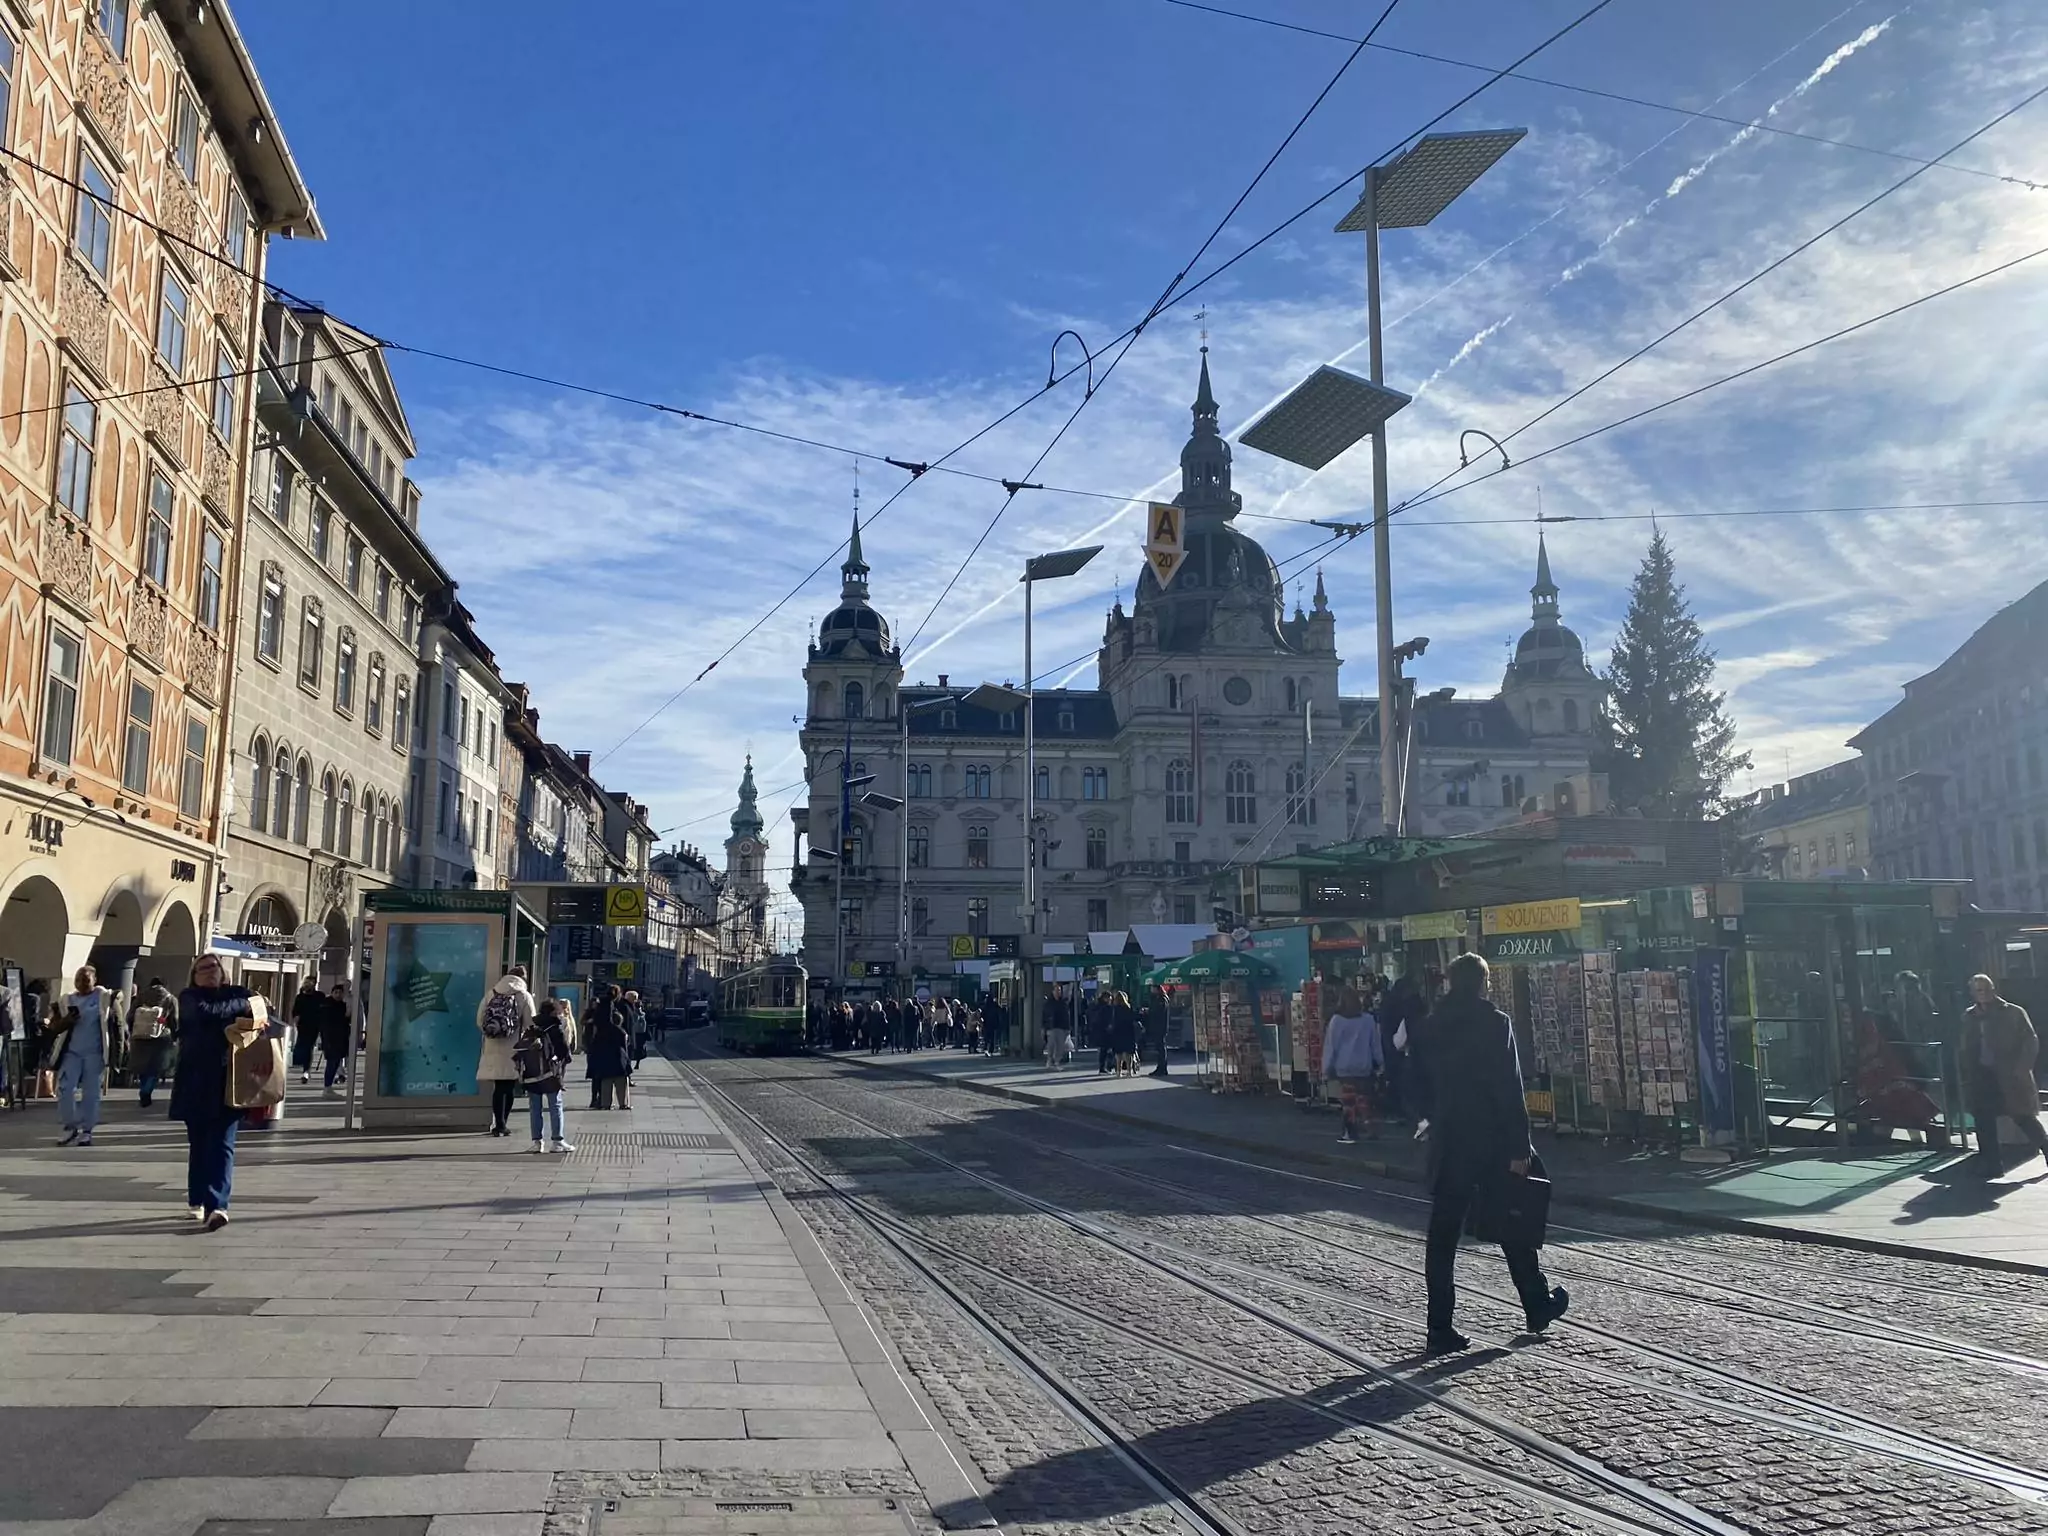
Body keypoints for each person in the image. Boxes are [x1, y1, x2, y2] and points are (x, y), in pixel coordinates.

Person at [1411, 953, 1566, 1355]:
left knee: (1442, 1239)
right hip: (1492, 1141)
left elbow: (1415, 1083)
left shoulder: (1431, 1026)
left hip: (1449, 1141)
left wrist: (1428, 1120)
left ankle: (1439, 1327)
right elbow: (1509, 1088)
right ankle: (1536, 1305)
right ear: (1482, 983)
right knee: (1514, 1220)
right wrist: (1519, 1146)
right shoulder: (1495, 1024)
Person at [173, 955, 260, 1229]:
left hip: (229, 1080)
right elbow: (206, 1012)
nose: (211, 972)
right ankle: (196, 1200)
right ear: (194, 974)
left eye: (215, 966)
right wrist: (241, 1006)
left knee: (223, 1144)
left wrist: (247, 1005)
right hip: (196, 1081)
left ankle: (218, 1206)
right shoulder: (188, 997)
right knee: (199, 1145)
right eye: (204, 968)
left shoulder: (239, 993)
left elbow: (259, 1007)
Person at [1961, 973, 2048, 1176]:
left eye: (1986, 989)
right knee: (1983, 1119)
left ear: (1993, 990)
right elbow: (1966, 1045)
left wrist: (2022, 1067)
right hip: (1982, 1074)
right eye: (1978, 990)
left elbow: (2030, 1041)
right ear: (1973, 993)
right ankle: (1992, 1164)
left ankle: (2046, 1149)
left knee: (2023, 1116)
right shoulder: (1969, 1016)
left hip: (2009, 1073)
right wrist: (1967, 1067)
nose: (1983, 994)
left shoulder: (2013, 1012)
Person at [51, 966, 114, 1146]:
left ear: (94, 980)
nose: (82, 984)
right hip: (72, 1052)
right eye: (78, 980)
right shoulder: (66, 1000)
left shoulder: (103, 997)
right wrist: (67, 1020)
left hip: (94, 1053)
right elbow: (55, 1026)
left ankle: (87, 1130)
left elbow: (115, 1021)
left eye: (86, 980)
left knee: (91, 1092)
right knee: (65, 1089)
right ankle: (69, 1126)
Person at [476, 965, 535, 1135]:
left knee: (498, 1086)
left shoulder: (491, 993)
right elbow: (530, 1023)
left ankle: (498, 1123)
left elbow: (480, 1020)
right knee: (508, 1086)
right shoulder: (523, 995)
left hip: (492, 1046)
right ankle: (503, 1124)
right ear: (523, 978)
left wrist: (493, 1032)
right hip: (513, 1047)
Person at [1322, 985, 1385, 1143]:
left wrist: (1326, 1068)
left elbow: (1331, 1046)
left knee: (1348, 1100)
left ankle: (1350, 1132)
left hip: (1344, 1067)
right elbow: (1375, 1044)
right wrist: (1381, 1062)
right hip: (1363, 1065)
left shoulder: (1336, 1021)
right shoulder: (1368, 1019)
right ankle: (1370, 1128)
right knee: (1363, 1098)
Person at [518, 998, 576, 1153]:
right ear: (554, 1011)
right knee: (555, 1105)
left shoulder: (533, 1027)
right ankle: (557, 1141)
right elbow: (563, 1051)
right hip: (550, 1073)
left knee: (535, 1107)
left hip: (531, 1073)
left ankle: (537, 1142)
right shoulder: (554, 1027)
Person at [128, 979, 178, 1110]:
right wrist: (175, 1035)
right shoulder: (170, 998)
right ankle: (147, 1090)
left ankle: (144, 1088)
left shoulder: (141, 996)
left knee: (143, 1066)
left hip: (140, 1035)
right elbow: (175, 1019)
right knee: (155, 1067)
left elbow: (130, 1016)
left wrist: (133, 1029)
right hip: (161, 1036)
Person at [587, 984, 632, 1110]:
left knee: (606, 1078)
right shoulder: (609, 1008)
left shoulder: (601, 1006)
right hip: (615, 1051)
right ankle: (623, 1104)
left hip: (601, 1049)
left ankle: (605, 1103)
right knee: (621, 1078)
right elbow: (608, 1025)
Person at [290, 976, 323, 1085]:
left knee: (309, 1047)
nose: (307, 984)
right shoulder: (300, 997)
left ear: (314, 984)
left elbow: (324, 1009)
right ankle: (302, 1066)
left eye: (309, 982)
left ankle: (306, 1071)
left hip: (315, 1025)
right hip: (302, 1026)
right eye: (306, 982)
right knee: (302, 1046)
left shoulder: (319, 996)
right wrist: (296, 1018)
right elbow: (295, 1010)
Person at [1106, 989, 1140, 1074]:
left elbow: (1113, 1021)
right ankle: (1129, 1071)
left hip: (1118, 1032)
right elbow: (1134, 1017)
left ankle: (1118, 1071)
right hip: (1128, 1032)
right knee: (1129, 1054)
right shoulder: (1128, 1008)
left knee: (1118, 1054)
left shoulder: (1114, 1009)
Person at [1141, 988, 1170, 1077]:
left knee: (1161, 1048)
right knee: (1159, 1048)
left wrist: (1148, 1011)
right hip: (1158, 1027)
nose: (1151, 990)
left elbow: (1158, 1012)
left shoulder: (1162, 999)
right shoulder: (1158, 998)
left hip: (1160, 1027)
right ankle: (1161, 1067)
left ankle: (1162, 1068)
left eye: (1153, 988)